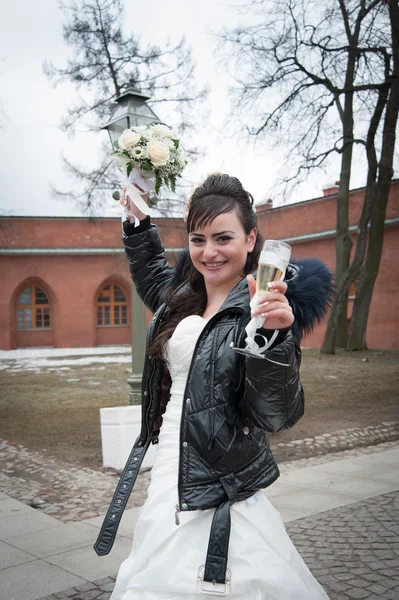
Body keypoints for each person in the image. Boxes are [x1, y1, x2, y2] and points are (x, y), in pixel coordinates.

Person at [94, 174, 332, 599]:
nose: (209, 252)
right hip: (170, 465)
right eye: (197, 239)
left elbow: (276, 415)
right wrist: (138, 223)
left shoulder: (263, 309)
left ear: (251, 238)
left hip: (220, 481)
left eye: (223, 238)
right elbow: (152, 275)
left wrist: (274, 340)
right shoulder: (183, 297)